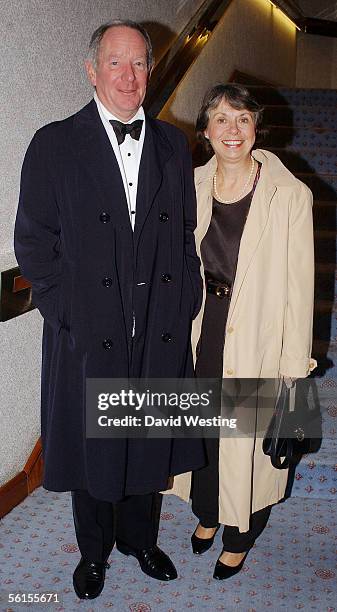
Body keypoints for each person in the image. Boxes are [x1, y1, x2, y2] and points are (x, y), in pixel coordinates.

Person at [14, 20, 204, 599]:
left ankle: (141, 540)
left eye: (140, 63)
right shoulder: (54, 142)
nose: (129, 75)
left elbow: (185, 235)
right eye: (116, 63)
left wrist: (184, 300)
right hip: (87, 330)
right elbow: (34, 242)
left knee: (144, 439)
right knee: (95, 447)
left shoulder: (175, 145)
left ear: (150, 72)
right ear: (93, 71)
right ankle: (93, 552)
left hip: (155, 327)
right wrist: (69, 313)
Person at [171, 83, 316, 580]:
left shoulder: (290, 195)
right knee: (204, 429)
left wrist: (294, 368)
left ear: (257, 127)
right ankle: (209, 513)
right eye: (221, 119)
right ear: (206, 130)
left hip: (257, 331)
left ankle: (240, 535)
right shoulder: (187, 186)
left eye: (243, 119)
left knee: (247, 440)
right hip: (200, 324)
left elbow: (301, 285)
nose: (232, 130)